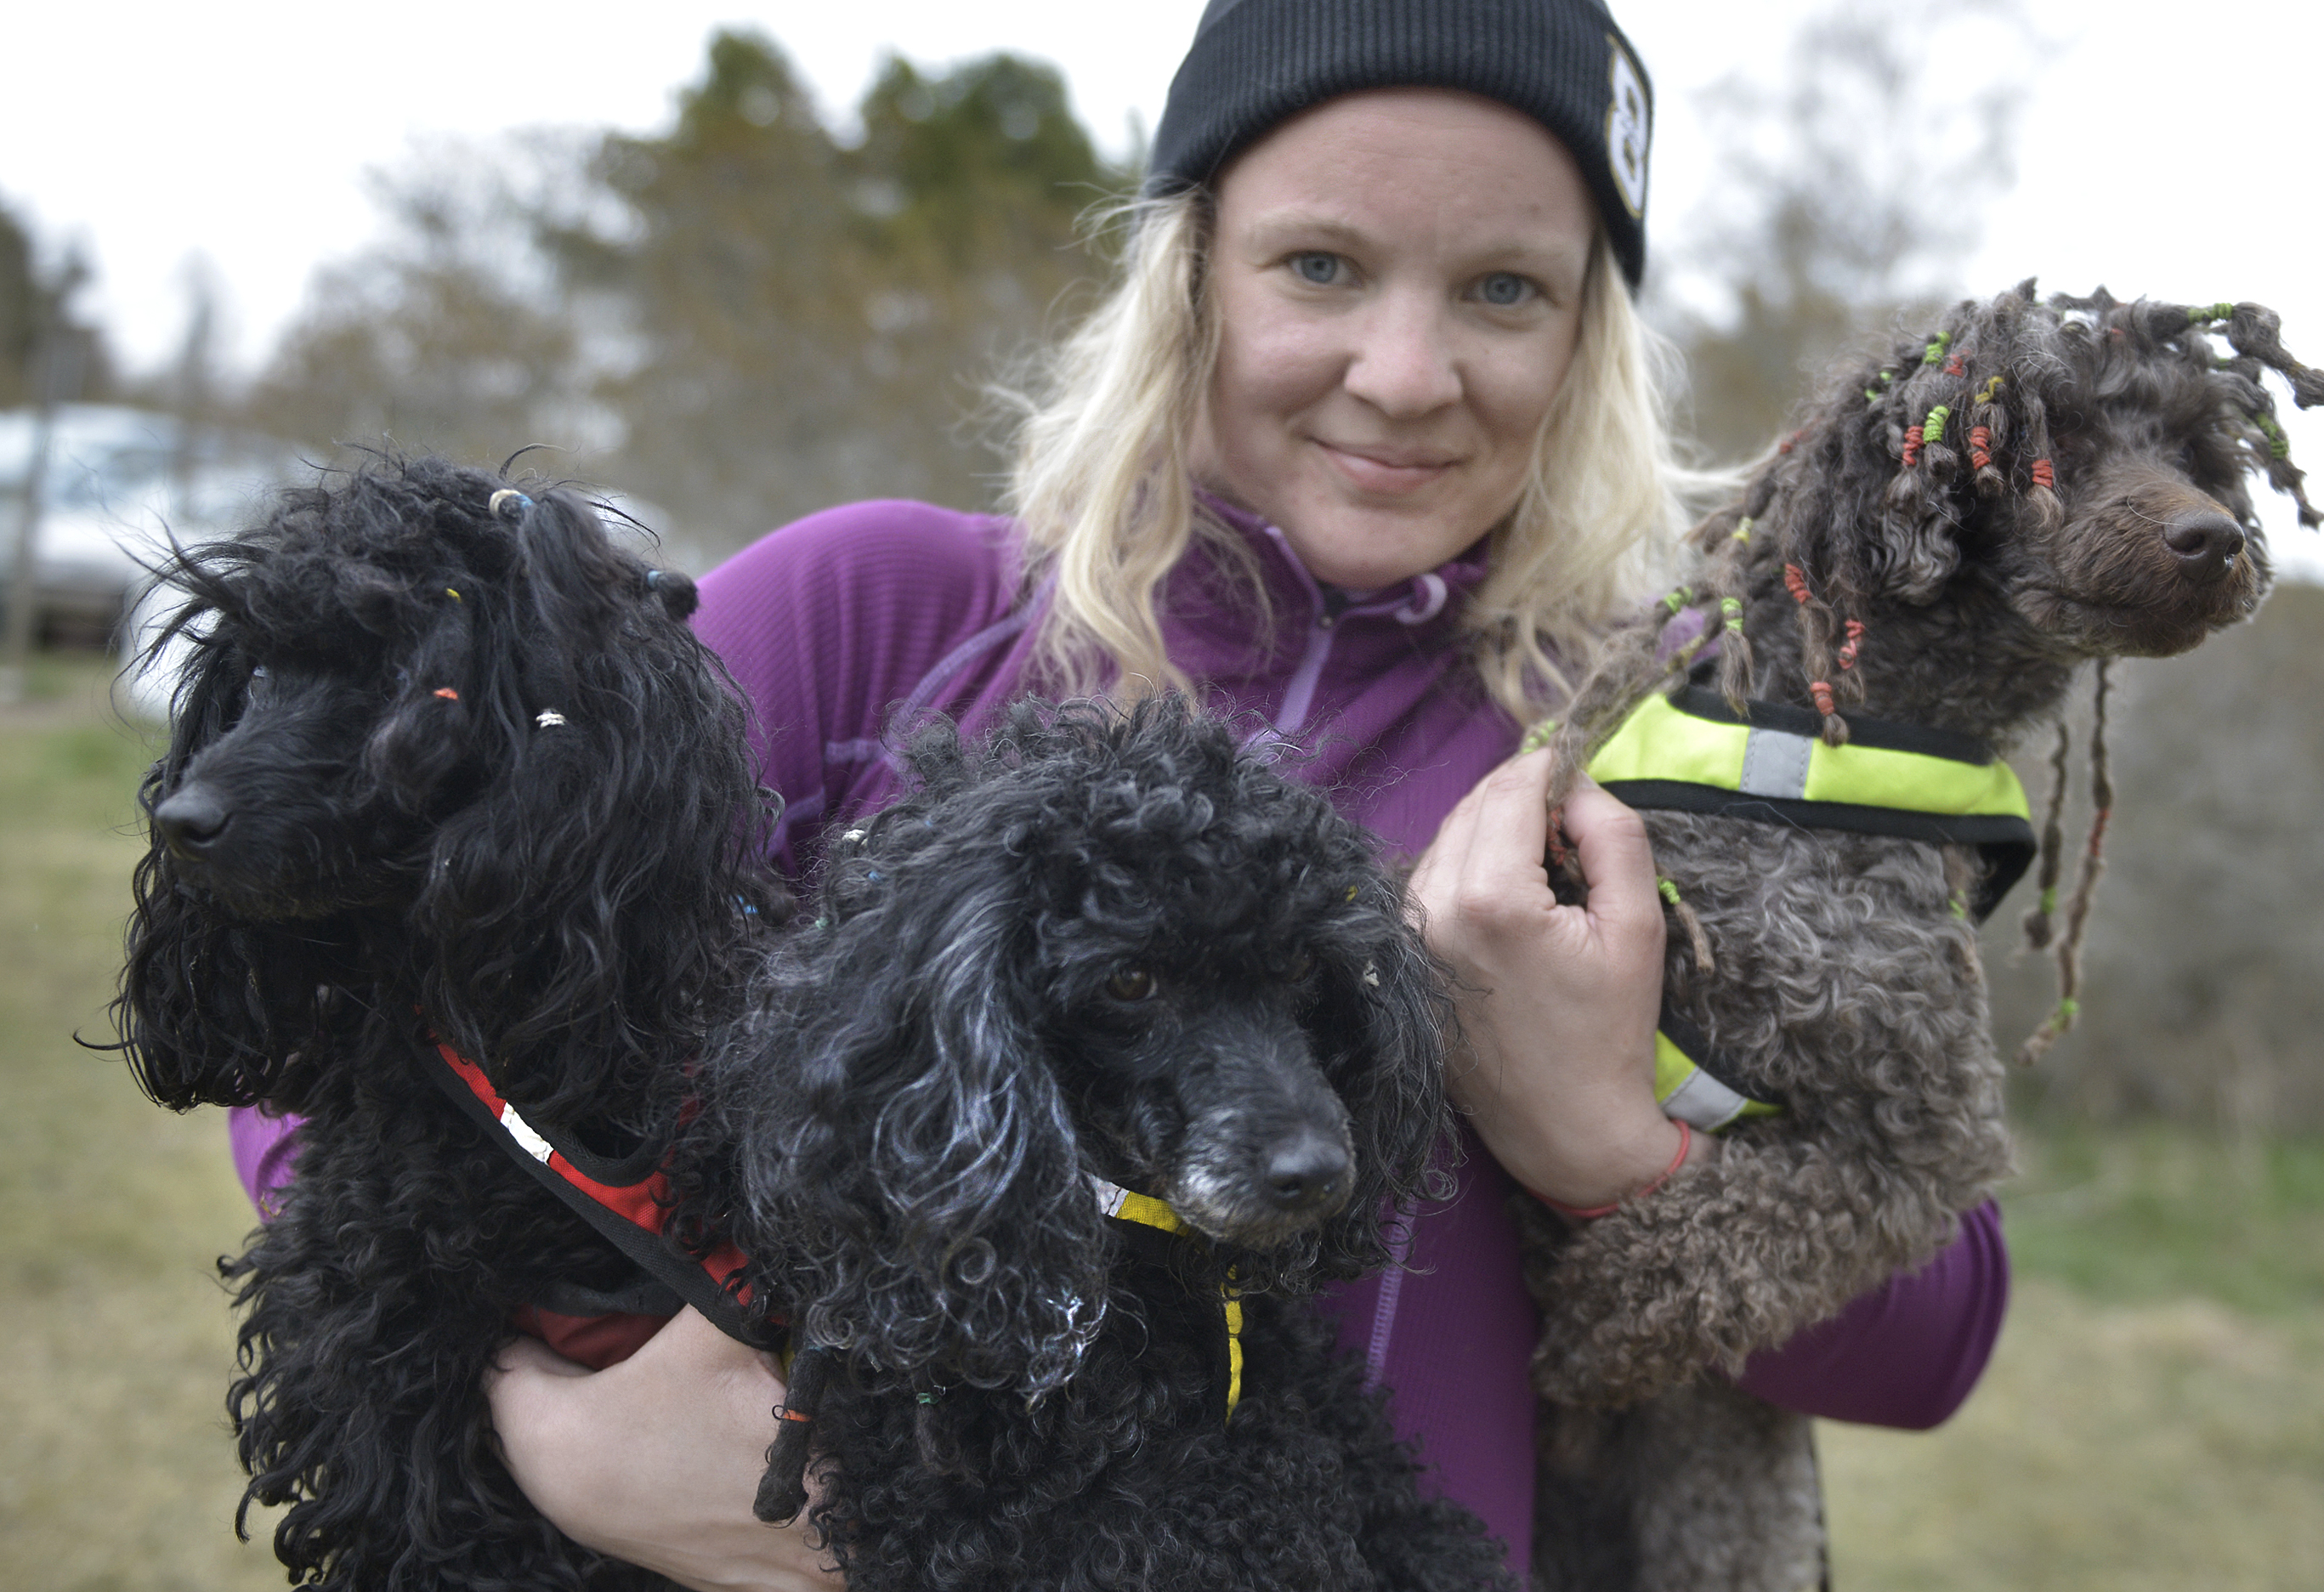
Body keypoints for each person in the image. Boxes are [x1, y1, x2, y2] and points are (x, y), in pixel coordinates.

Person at [231, 2, 2008, 1587]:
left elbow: (1932, 1336)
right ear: (1190, 271)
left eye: (1501, 289)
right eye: (1318, 265)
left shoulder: (1653, 767)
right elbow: (370, 1034)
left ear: (1584, 337)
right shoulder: (871, 616)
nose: (1403, 372)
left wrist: (1608, 1149)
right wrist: (551, 1424)